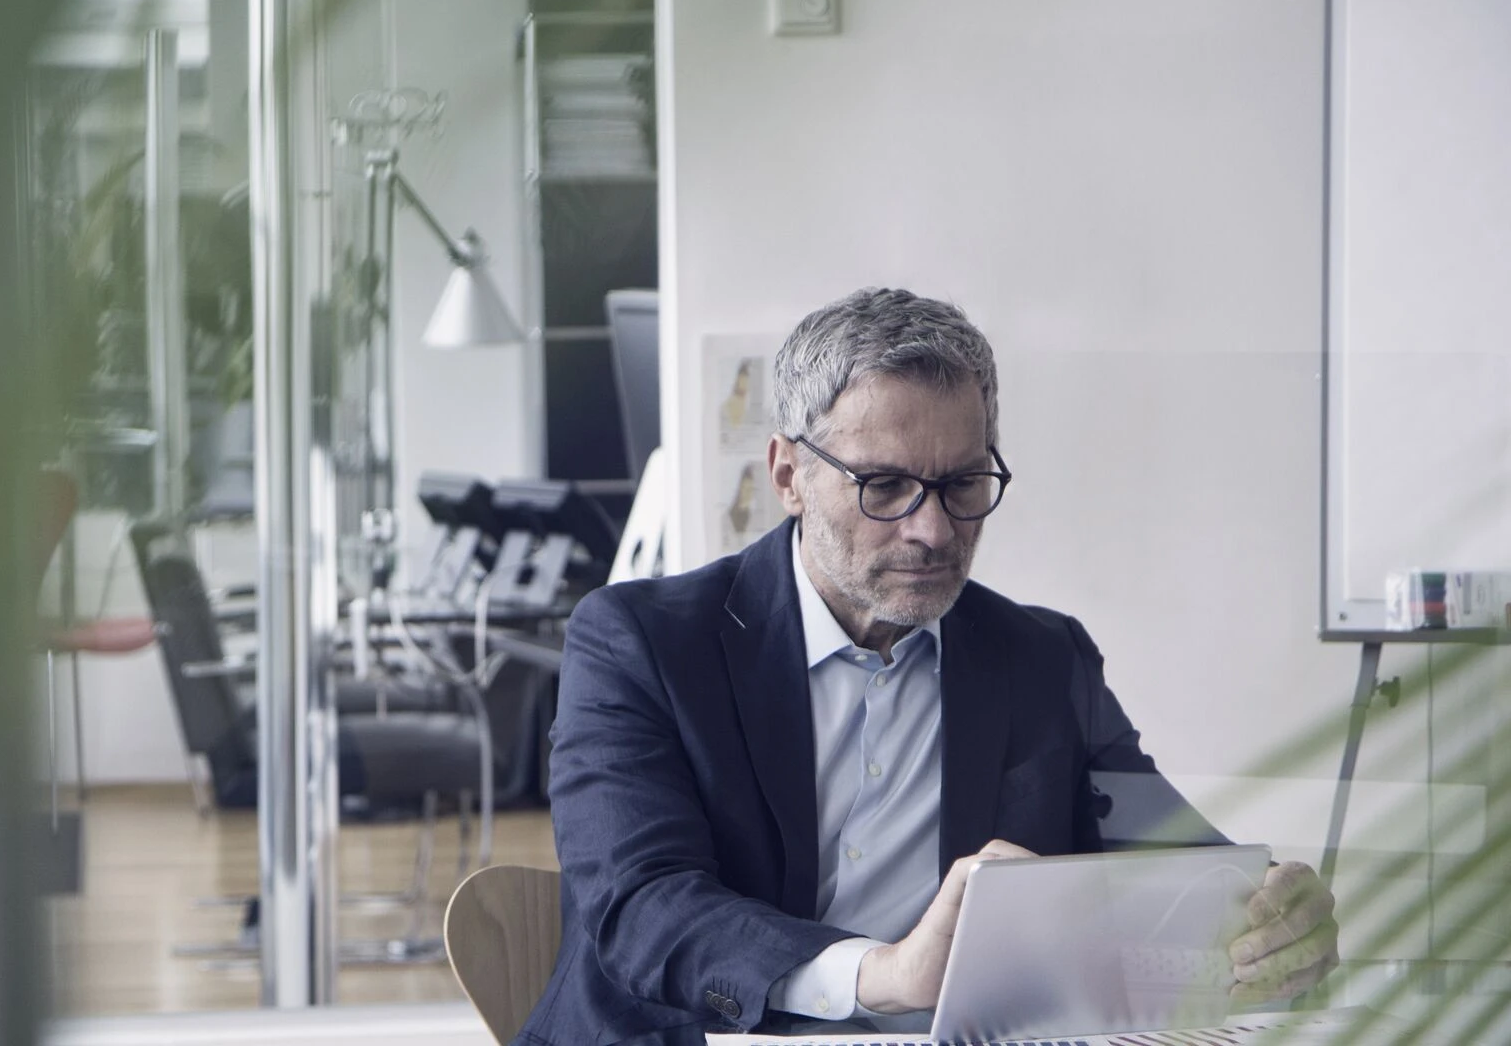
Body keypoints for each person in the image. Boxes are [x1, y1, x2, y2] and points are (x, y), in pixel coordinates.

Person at [515, 288, 1340, 1045]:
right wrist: (883, 974)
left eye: (963, 483)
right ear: (787, 475)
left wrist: (1266, 908)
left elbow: (1165, 856)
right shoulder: (640, 644)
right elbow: (643, 906)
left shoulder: (1042, 661)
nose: (934, 531)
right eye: (884, 485)